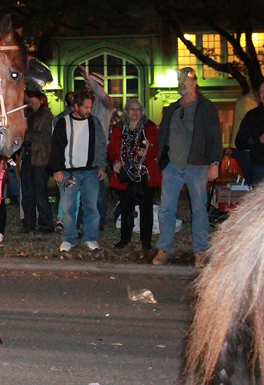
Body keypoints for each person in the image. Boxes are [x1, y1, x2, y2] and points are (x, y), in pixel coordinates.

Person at [153, 67, 222, 268]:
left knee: (199, 209)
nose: (181, 84)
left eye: (184, 80)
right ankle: (164, 248)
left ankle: (200, 251)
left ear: (193, 83)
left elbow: (214, 136)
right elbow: (163, 133)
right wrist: (162, 158)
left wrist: (214, 163)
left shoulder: (206, 107)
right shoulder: (173, 107)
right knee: (166, 209)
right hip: (172, 166)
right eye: (179, 80)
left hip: (197, 166)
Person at [48, 90, 107, 252]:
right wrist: (57, 169)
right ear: (76, 106)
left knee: (91, 208)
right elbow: (56, 148)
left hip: (90, 173)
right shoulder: (64, 123)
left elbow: (101, 145)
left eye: (90, 107)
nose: (89, 110)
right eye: (86, 107)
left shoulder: (94, 122)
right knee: (68, 209)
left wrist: (101, 165)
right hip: (69, 173)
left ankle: (90, 237)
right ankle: (69, 238)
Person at [107, 98, 161, 251]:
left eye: (138, 109)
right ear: (127, 111)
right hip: (125, 174)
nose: (135, 112)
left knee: (146, 208)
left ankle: (146, 241)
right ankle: (125, 238)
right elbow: (112, 149)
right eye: (132, 109)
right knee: (126, 208)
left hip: (144, 173)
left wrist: (147, 151)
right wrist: (116, 161)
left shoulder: (149, 127)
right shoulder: (119, 128)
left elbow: (157, 147)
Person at [77, 66, 115, 230]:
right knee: (83, 188)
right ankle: (83, 221)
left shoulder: (105, 105)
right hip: (83, 152)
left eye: (90, 87)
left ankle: (99, 222)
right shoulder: (85, 107)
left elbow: (103, 95)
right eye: (86, 86)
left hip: (100, 152)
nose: (87, 89)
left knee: (99, 191)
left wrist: (89, 80)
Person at [20, 91, 55, 234]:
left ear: (38, 100)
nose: (28, 102)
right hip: (29, 156)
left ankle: (46, 223)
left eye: (30, 99)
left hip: (39, 158)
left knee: (40, 193)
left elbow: (46, 137)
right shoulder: (32, 115)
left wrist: (26, 133)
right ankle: (29, 223)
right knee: (28, 192)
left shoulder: (46, 116)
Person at [229, 90, 258, 184]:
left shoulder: (249, 101)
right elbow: (253, 124)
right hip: (244, 147)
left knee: (253, 176)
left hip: (246, 146)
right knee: (253, 176)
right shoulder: (247, 102)